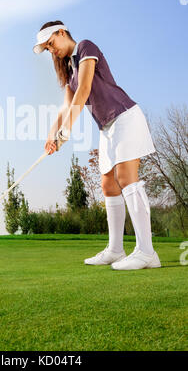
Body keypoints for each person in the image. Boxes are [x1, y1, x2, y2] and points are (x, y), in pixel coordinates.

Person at [33, 20, 161, 271]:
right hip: (106, 127)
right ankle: (115, 250)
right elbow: (65, 106)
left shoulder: (85, 47)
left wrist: (67, 129)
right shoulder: (69, 71)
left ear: (62, 32)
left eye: (51, 44)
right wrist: (51, 136)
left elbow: (85, 89)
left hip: (124, 116)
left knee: (126, 177)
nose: (51, 51)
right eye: (47, 49)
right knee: (108, 184)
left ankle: (147, 252)